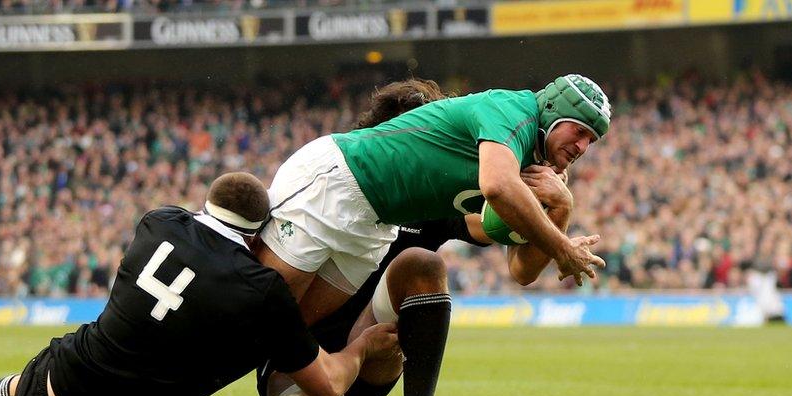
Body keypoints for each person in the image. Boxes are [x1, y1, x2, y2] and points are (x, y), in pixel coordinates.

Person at [0, 172, 398, 396]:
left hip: (54, 389)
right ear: (261, 236)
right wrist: (364, 346)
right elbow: (328, 386)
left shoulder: (157, 222)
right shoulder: (262, 290)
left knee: (39, 375)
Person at [255, 79, 595, 396]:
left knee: (422, 262)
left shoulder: (436, 204)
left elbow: (520, 262)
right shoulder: (344, 192)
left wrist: (559, 211)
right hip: (302, 358)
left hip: (370, 355)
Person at [258, 74, 610, 328]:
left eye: (591, 141)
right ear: (551, 110)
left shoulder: (534, 169)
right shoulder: (512, 108)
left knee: (290, 324)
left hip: (376, 221)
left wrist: (563, 209)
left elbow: (521, 271)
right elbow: (497, 186)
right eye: (578, 131)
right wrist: (563, 248)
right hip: (340, 180)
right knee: (262, 309)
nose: (582, 147)